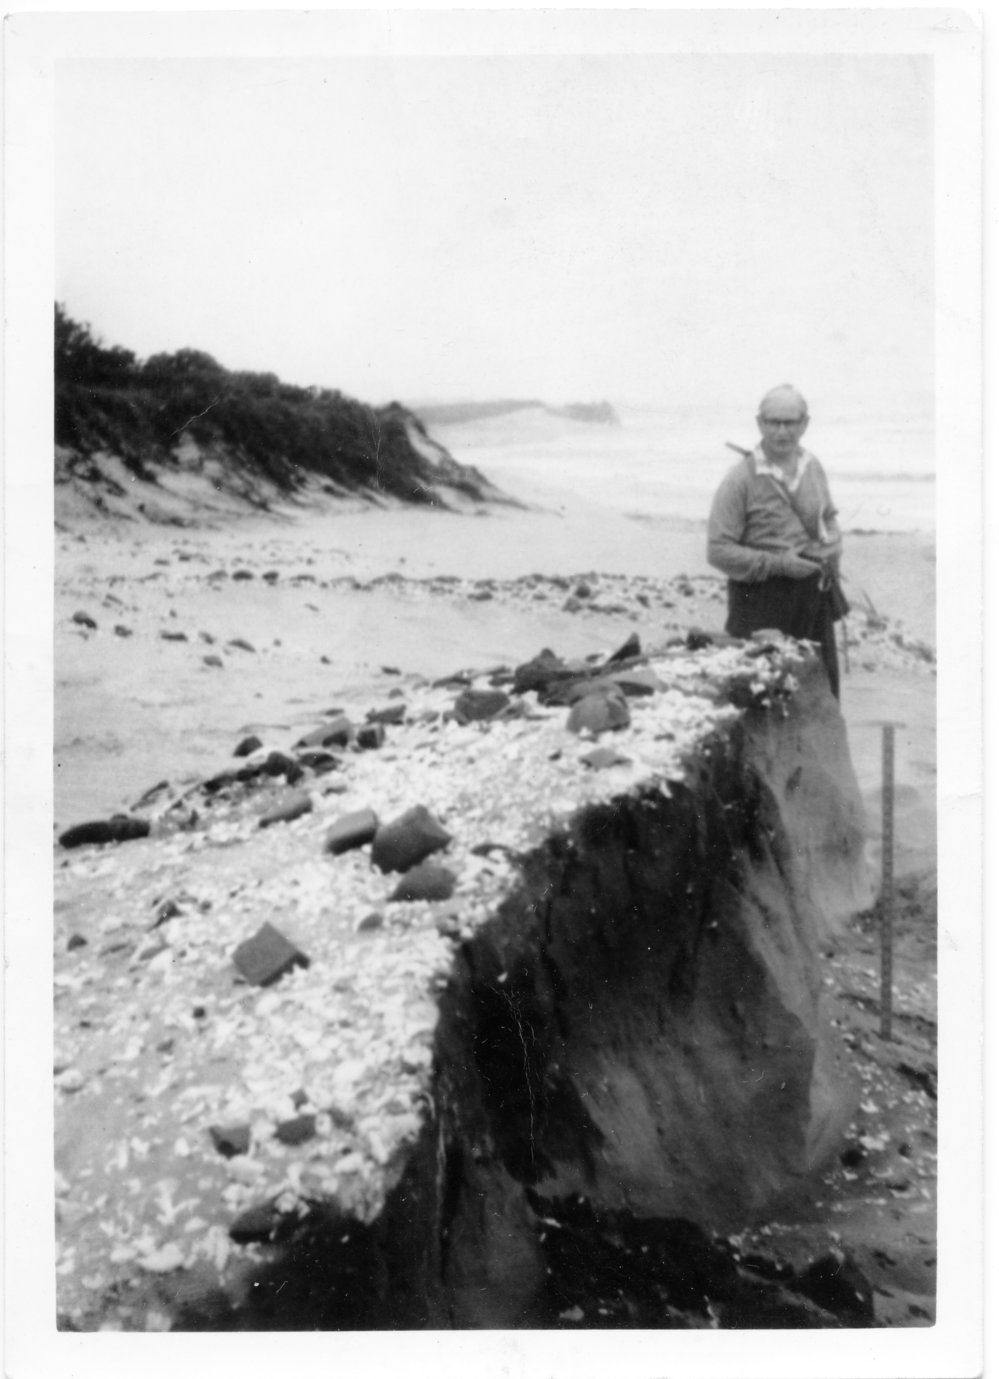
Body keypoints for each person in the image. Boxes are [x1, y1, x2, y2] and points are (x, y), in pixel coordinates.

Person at [707, 384, 846, 698]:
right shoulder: (740, 479)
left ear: (805, 424)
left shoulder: (812, 466)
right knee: (764, 699)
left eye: (790, 422)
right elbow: (717, 551)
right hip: (759, 603)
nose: (782, 432)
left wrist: (834, 541)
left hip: (811, 601)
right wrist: (780, 564)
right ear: (760, 423)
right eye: (773, 422)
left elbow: (828, 516)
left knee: (819, 696)